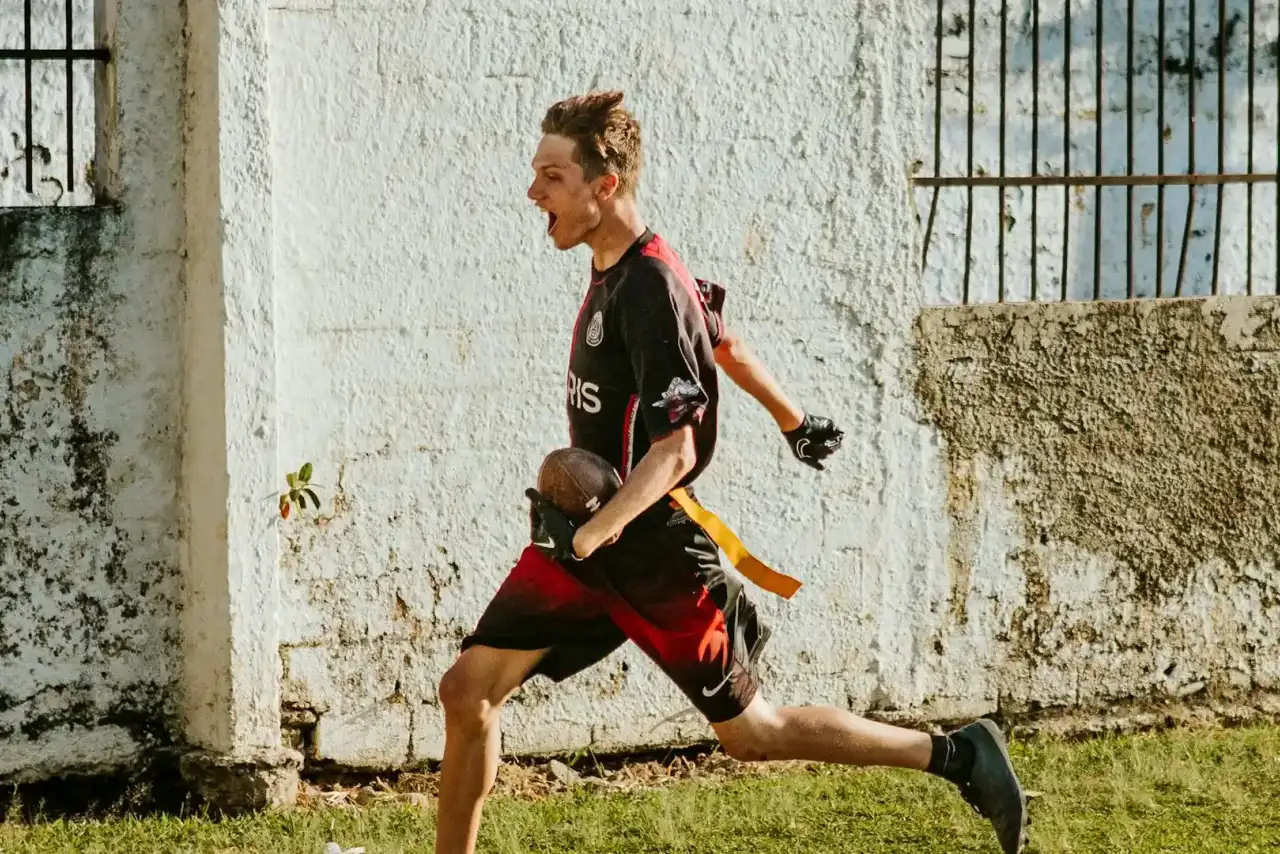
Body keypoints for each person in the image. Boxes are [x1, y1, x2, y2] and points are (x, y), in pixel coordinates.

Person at [432, 91, 1028, 854]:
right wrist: (792, 419)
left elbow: (676, 450)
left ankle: (957, 754)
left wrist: (595, 534)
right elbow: (724, 340)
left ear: (603, 185)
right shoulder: (622, 268)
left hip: (644, 547)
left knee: (753, 733)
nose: (533, 193)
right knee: (468, 691)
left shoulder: (651, 287)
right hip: (589, 536)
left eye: (551, 176)